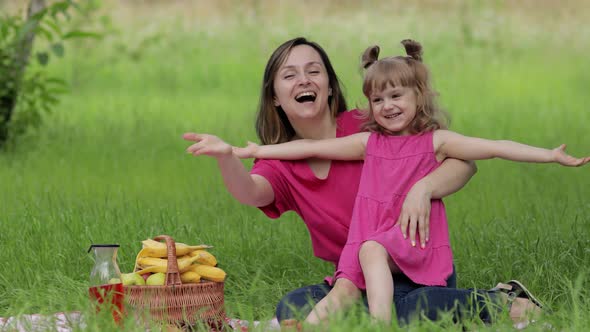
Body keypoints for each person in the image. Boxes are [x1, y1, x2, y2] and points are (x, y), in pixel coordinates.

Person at [182, 37, 552, 327]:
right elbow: (249, 192)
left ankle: (500, 300)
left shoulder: (375, 121)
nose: (304, 80)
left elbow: (464, 162)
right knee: (294, 306)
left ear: (329, 85)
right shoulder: (282, 160)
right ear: (275, 97)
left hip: (414, 263)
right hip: (356, 279)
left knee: (413, 309)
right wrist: (226, 156)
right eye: (289, 75)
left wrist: (423, 188)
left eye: (314, 70)